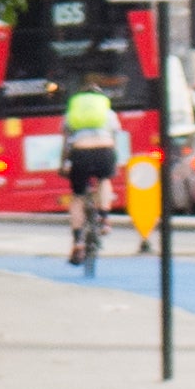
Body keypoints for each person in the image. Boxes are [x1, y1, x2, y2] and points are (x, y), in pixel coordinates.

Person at [58, 81, 127, 258]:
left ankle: (78, 241)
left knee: (78, 197)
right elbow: (114, 137)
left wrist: (63, 164)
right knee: (104, 180)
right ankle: (104, 219)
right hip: (104, 150)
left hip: (80, 152)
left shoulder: (72, 113)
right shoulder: (108, 112)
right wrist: (114, 161)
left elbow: (66, 143)